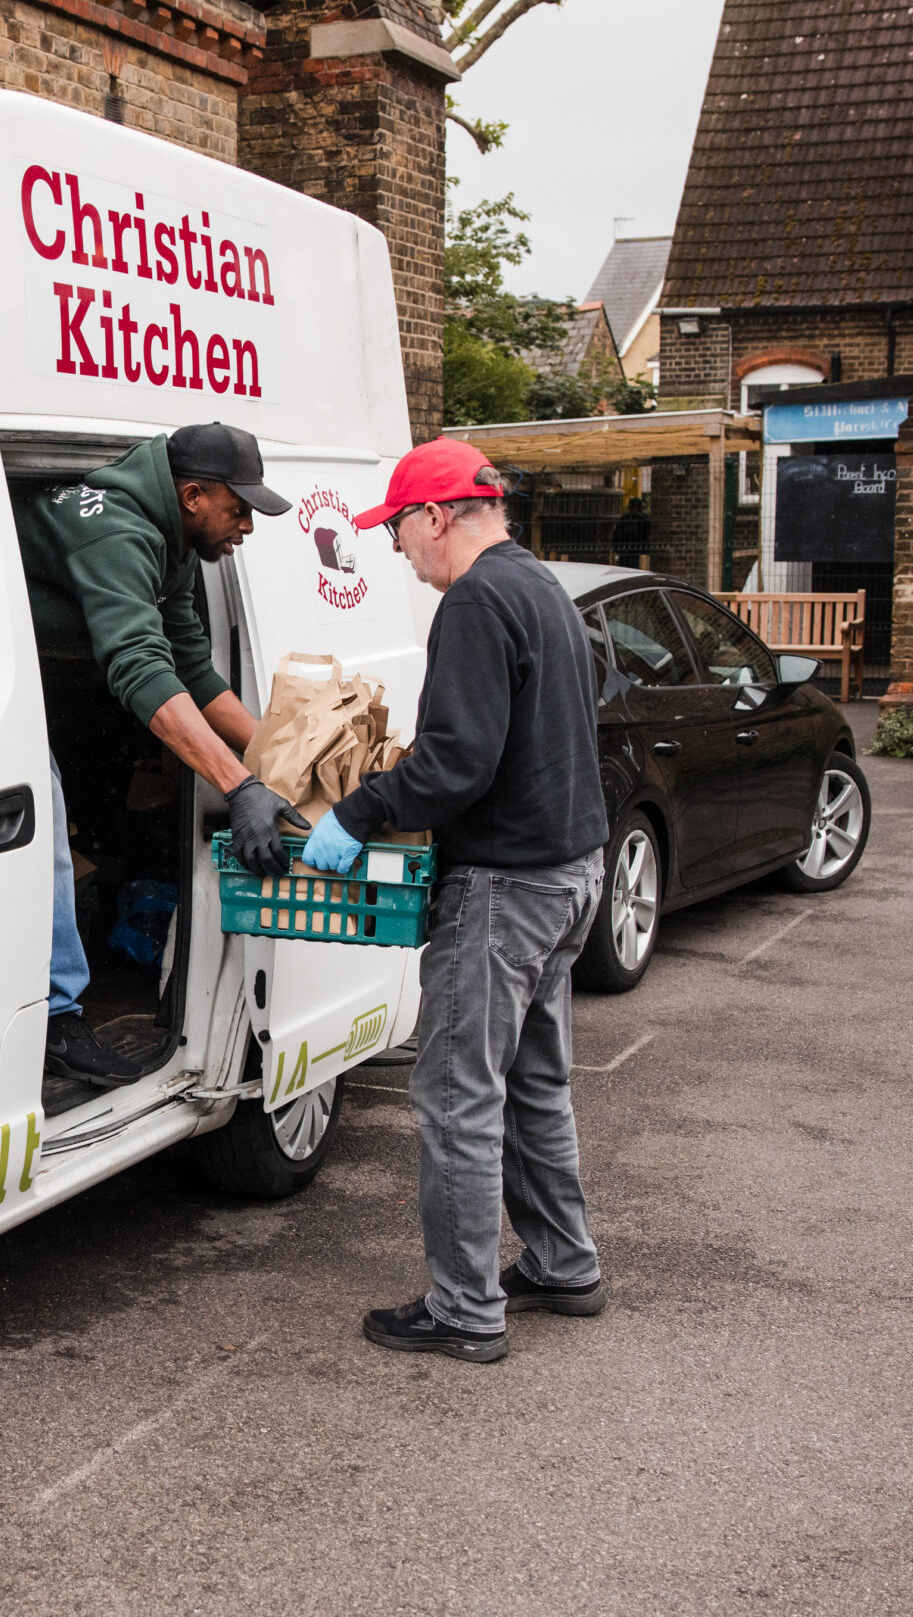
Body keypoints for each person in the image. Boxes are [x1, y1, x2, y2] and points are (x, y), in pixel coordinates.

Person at [299, 438, 610, 1364]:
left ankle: (466, 1310)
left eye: (399, 530)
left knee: (457, 1098)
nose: (397, 550)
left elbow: (457, 763)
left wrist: (357, 812)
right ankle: (562, 1264)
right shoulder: (541, 586)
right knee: (534, 1088)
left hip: (505, 888)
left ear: (437, 516)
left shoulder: (476, 601)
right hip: (569, 873)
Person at [17, 422, 305, 1089]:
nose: (247, 528)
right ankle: (58, 1018)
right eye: (240, 510)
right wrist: (239, 787)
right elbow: (141, 671)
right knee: (41, 812)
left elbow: (194, 672)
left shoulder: (174, 544)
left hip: (30, 678)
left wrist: (284, 757)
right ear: (195, 495)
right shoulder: (120, 533)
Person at [611, 496, 654, 569]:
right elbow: (617, 534)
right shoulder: (625, 519)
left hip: (638, 550)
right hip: (626, 550)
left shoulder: (643, 519)